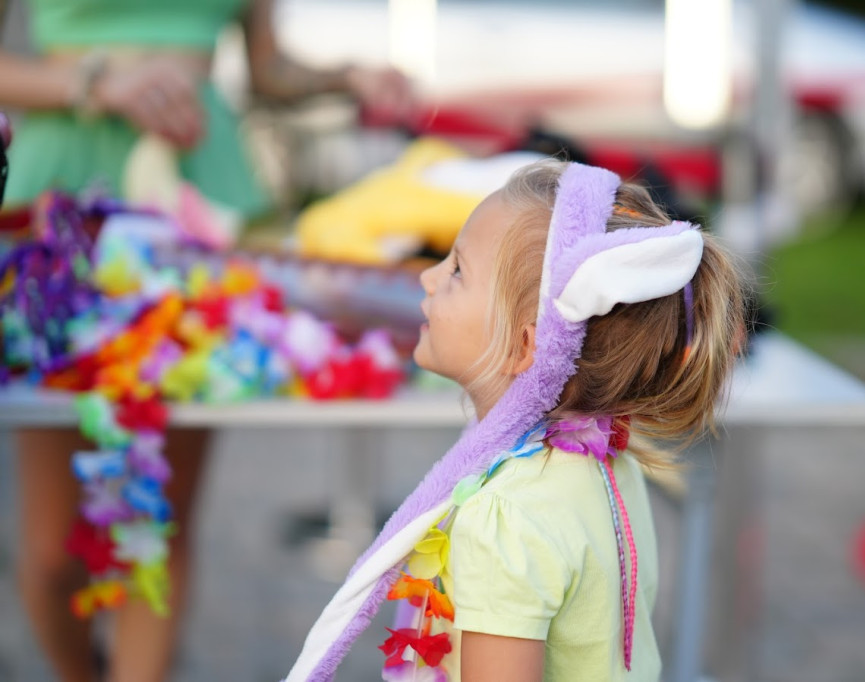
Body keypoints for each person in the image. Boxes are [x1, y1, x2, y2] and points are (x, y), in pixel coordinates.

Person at [0, 1, 413, 681]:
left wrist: (350, 76)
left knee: (156, 526)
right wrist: (95, 84)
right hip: (61, 207)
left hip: (198, 198)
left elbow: (268, 68)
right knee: (51, 555)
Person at [285, 159, 746, 681]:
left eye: (457, 270)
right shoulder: (609, 463)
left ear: (526, 345)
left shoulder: (504, 519)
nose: (429, 276)